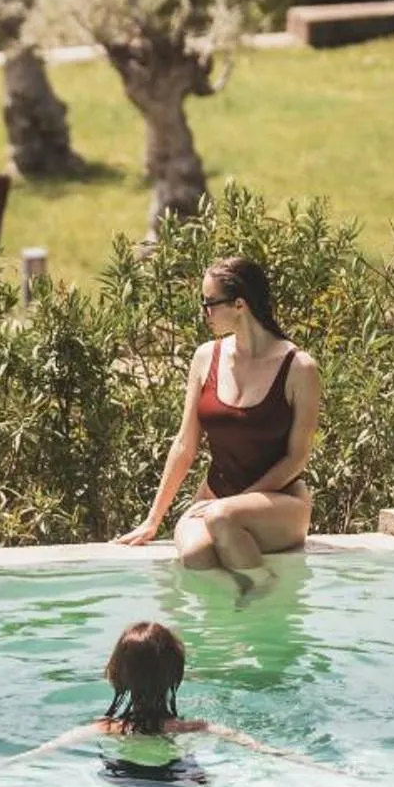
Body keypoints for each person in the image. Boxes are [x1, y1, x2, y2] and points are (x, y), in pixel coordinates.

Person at [113, 255, 321, 602]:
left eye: (210, 303)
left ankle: (265, 594)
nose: (204, 312)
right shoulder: (205, 357)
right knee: (195, 554)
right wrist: (153, 519)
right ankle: (247, 609)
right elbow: (185, 444)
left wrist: (238, 502)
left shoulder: (300, 368)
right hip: (214, 501)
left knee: (224, 518)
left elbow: (297, 458)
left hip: (280, 503)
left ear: (240, 304)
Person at [0, 621, 327, 781]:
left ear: (116, 675)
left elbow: (36, 754)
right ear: (176, 675)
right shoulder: (196, 727)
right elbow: (266, 751)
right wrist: (324, 769)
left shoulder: (104, 729)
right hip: (180, 779)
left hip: (122, 780)